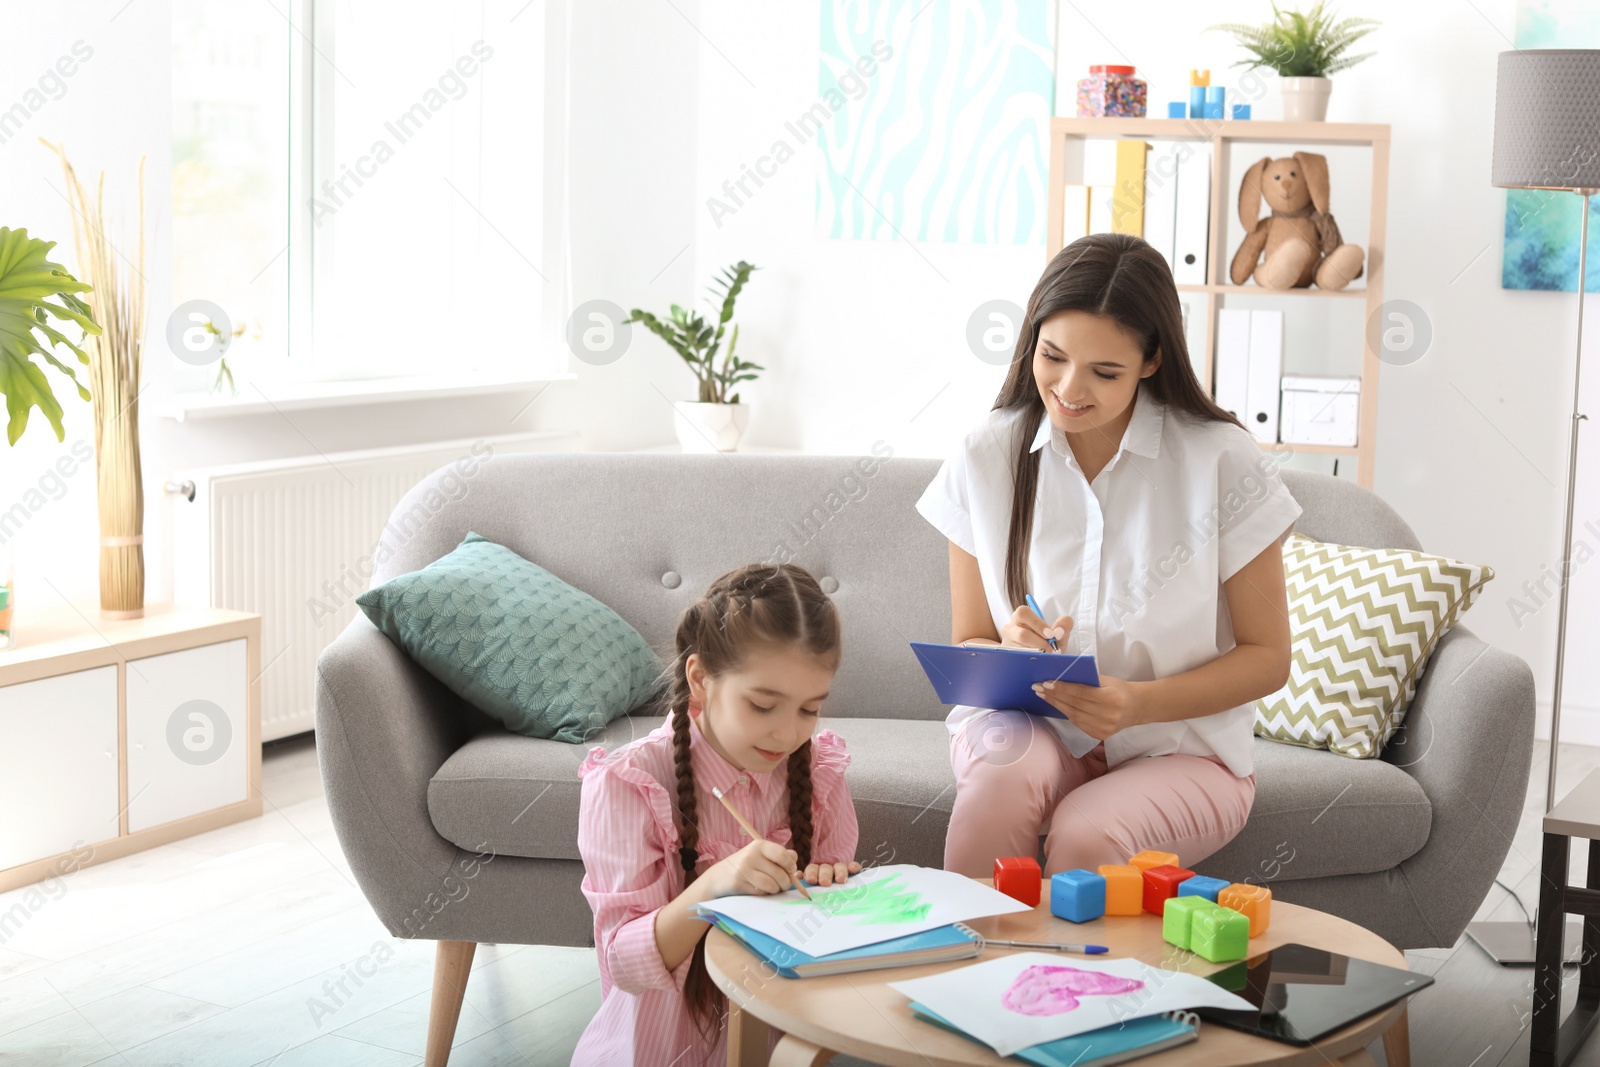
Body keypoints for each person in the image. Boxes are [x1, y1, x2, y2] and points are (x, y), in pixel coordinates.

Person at [917, 231, 1302, 878]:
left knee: (1087, 833)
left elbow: (1270, 658)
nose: (1068, 388)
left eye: (1104, 371)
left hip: (1183, 750)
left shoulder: (1220, 461)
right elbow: (970, 639)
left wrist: (1137, 703)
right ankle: (966, 972)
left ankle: (1080, 984)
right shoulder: (987, 454)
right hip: (1033, 731)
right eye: (1053, 356)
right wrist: (1012, 643)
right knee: (1000, 781)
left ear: (1151, 360)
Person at [573, 563, 861, 1066]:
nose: (787, 734)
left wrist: (832, 886)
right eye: (763, 705)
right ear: (701, 678)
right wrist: (713, 886)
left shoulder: (820, 774)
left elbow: (829, 927)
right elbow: (624, 963)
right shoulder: (630, 784)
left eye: (809, 709)